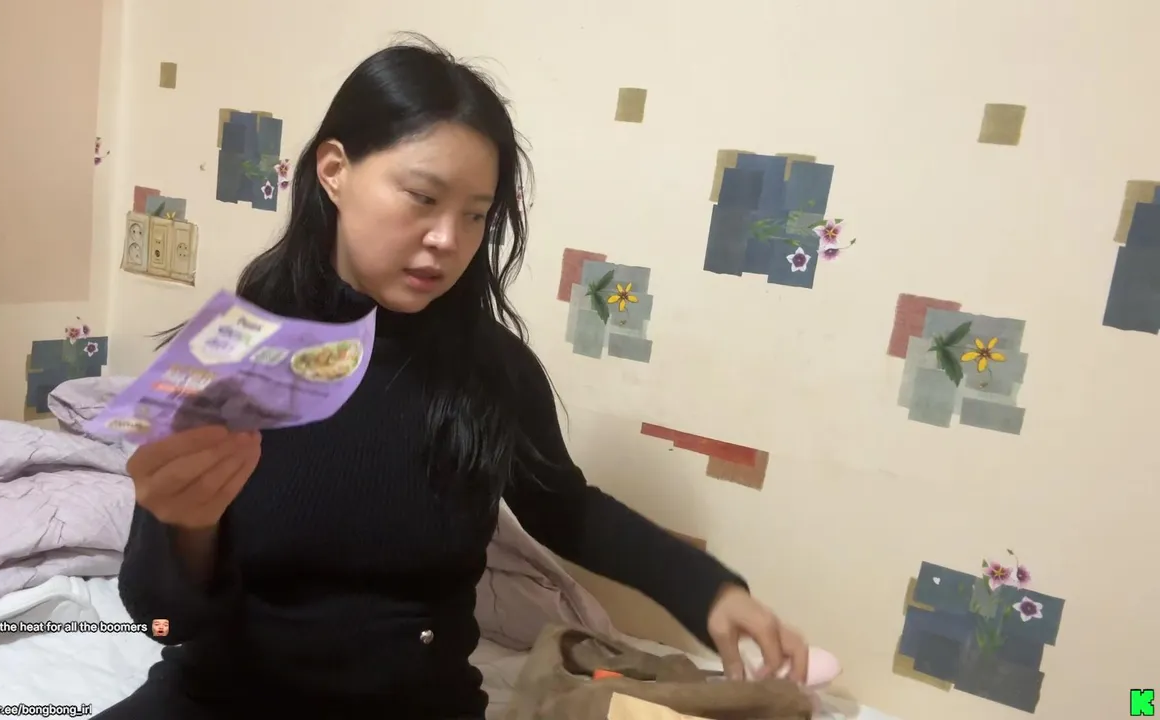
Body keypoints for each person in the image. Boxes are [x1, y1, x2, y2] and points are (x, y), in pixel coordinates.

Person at [97, 36, 808, 720]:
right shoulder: (226, 359)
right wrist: (184, 530)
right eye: (421, 197)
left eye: (475, 216)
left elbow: (566, 509)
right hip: (224, 701)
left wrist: (707, 591)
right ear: (334, 170)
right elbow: (162, 620)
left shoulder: (488, 370)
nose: (448, 240)